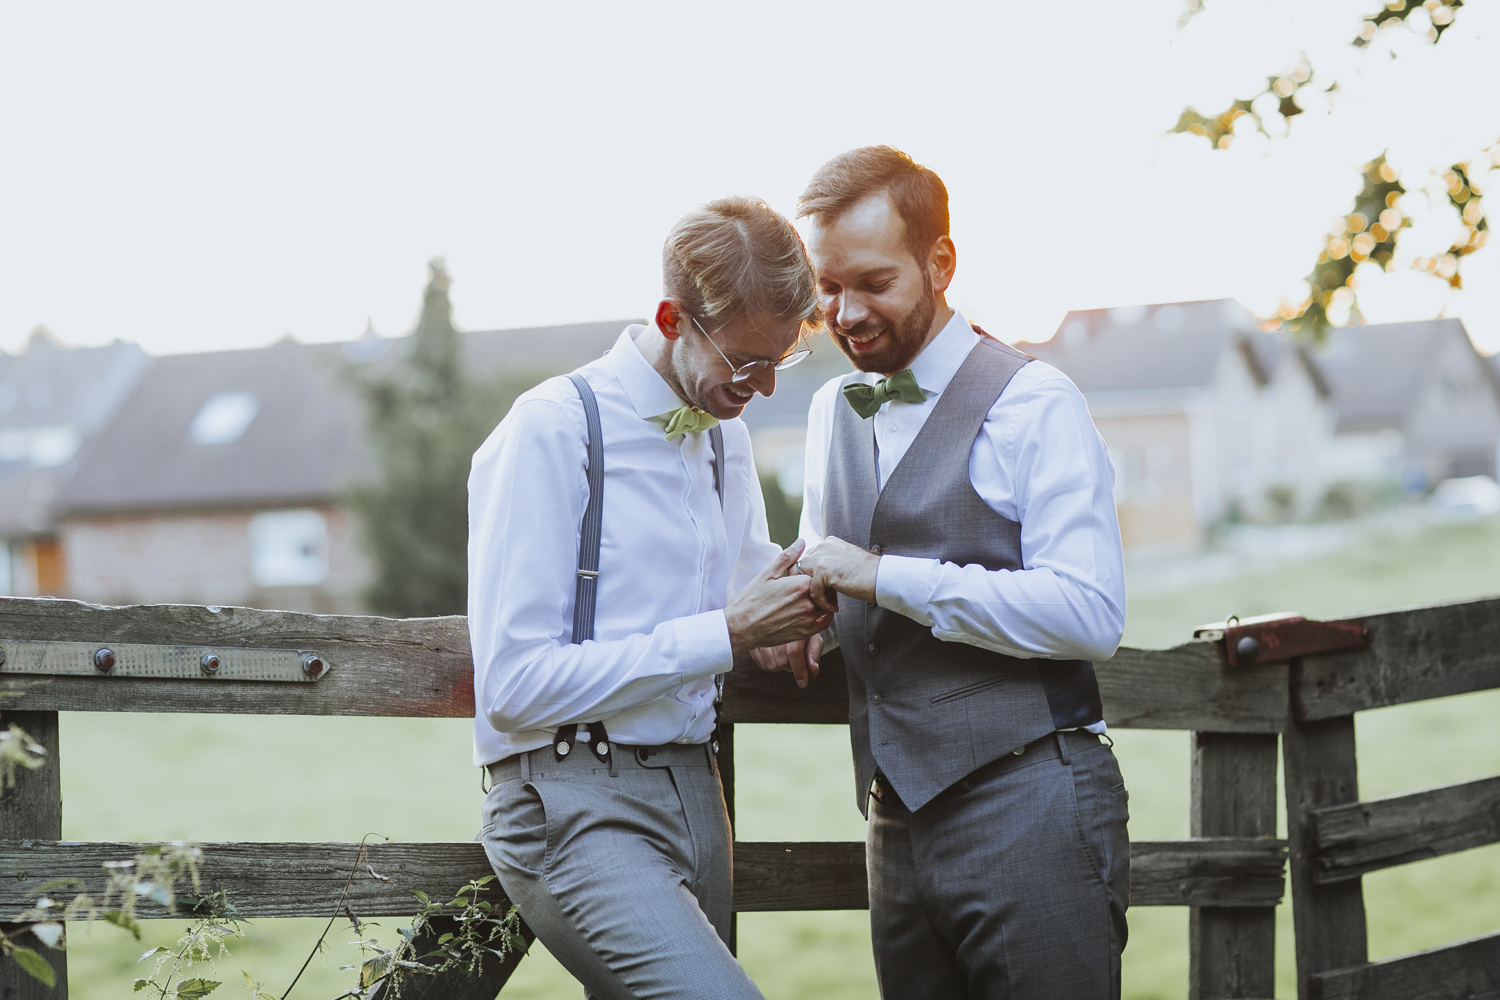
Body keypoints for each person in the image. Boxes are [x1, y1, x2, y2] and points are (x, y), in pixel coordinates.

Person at [781, 146, 1131, 999]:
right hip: (892, 819)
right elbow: (827, 567)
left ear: (939, 263)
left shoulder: (1034, 403)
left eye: (872, 282)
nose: (845, 312)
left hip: (1030, 801)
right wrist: (797, 619)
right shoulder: (831, 410)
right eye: (826, 288)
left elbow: (1090, 612)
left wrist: (881, 576)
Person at [468, 195, 830, 1000]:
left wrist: (799, 616)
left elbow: (745, 591)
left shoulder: (723, 434)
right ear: (673, 318)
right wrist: (727, 633)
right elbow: (512, 687)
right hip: (569, 796)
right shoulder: (553, 429)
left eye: (781, 362)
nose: (763, 388)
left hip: (698, 791)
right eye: (746, 363)